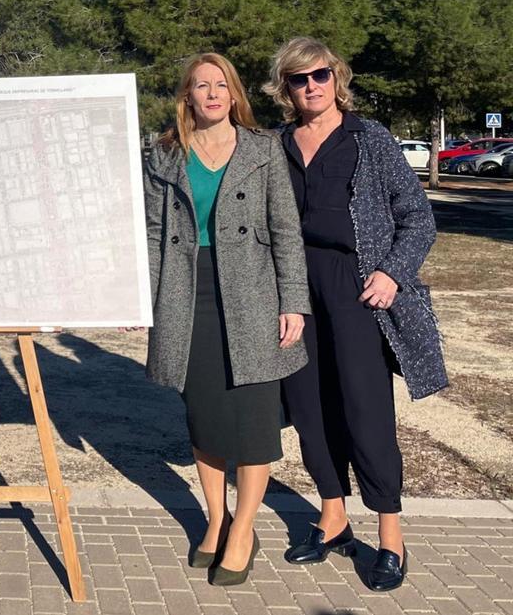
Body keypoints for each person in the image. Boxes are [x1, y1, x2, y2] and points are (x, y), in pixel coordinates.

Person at [266, 37, 447, 593]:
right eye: (298, 79)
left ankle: (390, 535)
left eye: (319, 75)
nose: (311, 86)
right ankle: (333, 517)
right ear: (286, 88)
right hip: (293, 291)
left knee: (365, 409)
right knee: (309, 405)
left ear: (335, 77)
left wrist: (392, 272)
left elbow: (417, 216)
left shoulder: (370, 139)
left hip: (356, 288)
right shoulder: (275, 144)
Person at [144, 52, 309, 586]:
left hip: (254, 293)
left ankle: (244, 528)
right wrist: (141, 298)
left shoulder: (263, 150)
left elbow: (286, 230)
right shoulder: (164, 154)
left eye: (221, 84)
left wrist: (294, 302)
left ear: (234, 94)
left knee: (256, 416)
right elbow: (150, 232)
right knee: (205, 414)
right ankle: (216, 519)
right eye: (200, 85)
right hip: (186, 292)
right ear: (187, 96)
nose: (212, 93)